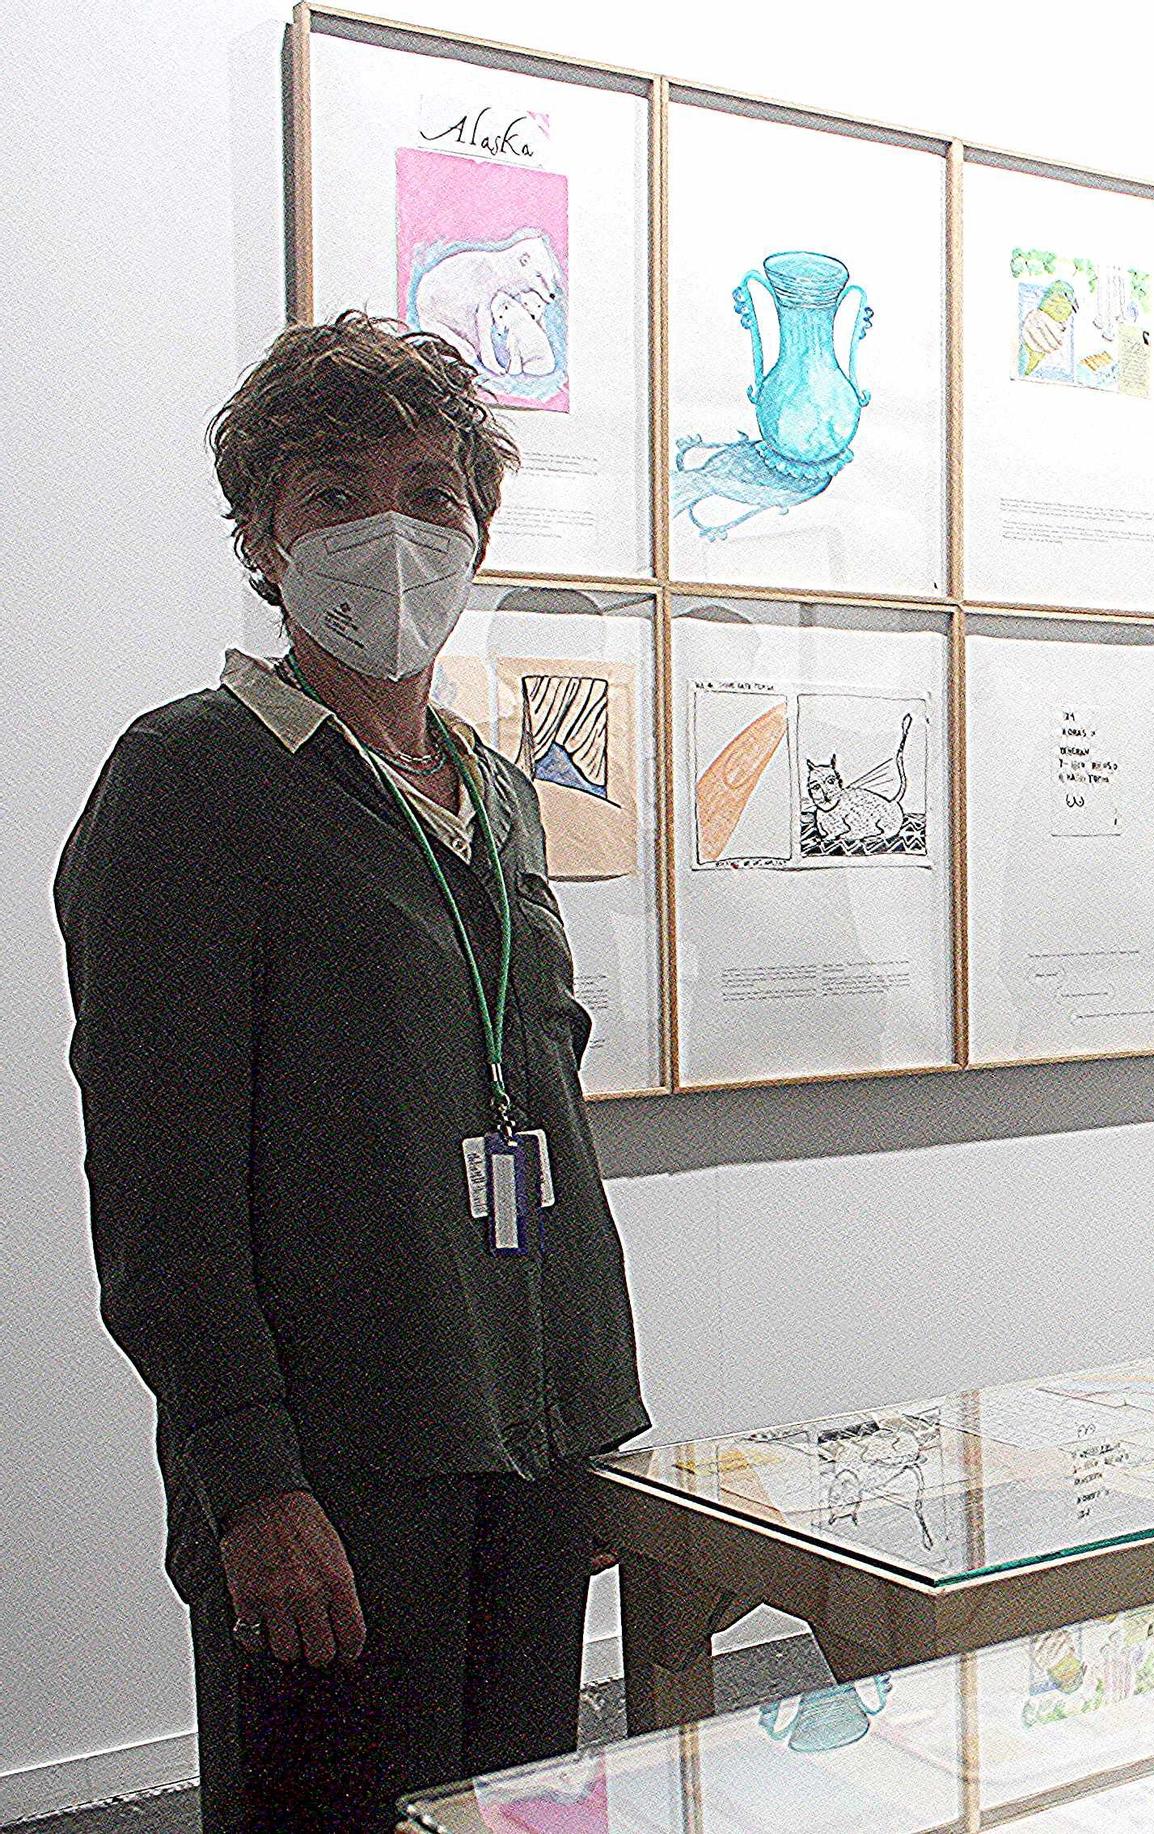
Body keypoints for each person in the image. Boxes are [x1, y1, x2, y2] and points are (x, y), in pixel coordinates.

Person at [55, 312, 650, 1831]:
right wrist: (248, 1479)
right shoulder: (190, 781)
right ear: (262, 538)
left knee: (513, 1807)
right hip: (333, 1479)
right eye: (334, 492)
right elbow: (158, 1181)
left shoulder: (499, 791)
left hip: (515, 1452)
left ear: (477, 527)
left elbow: (548, 1120)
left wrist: (593, 1418)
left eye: (430, 488)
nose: (391, 526)